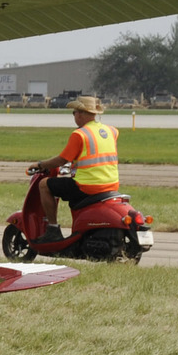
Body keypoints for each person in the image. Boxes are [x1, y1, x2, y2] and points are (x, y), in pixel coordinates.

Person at [26, 94, 120, 243]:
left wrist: (40, 165)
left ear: (81, 114)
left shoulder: (80, 134)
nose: (74, 116)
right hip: (111, 185)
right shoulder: (112, 131)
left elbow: (62, 159)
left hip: (87, 186)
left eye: (74, 112)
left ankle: (53, 229)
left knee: (44, 185)